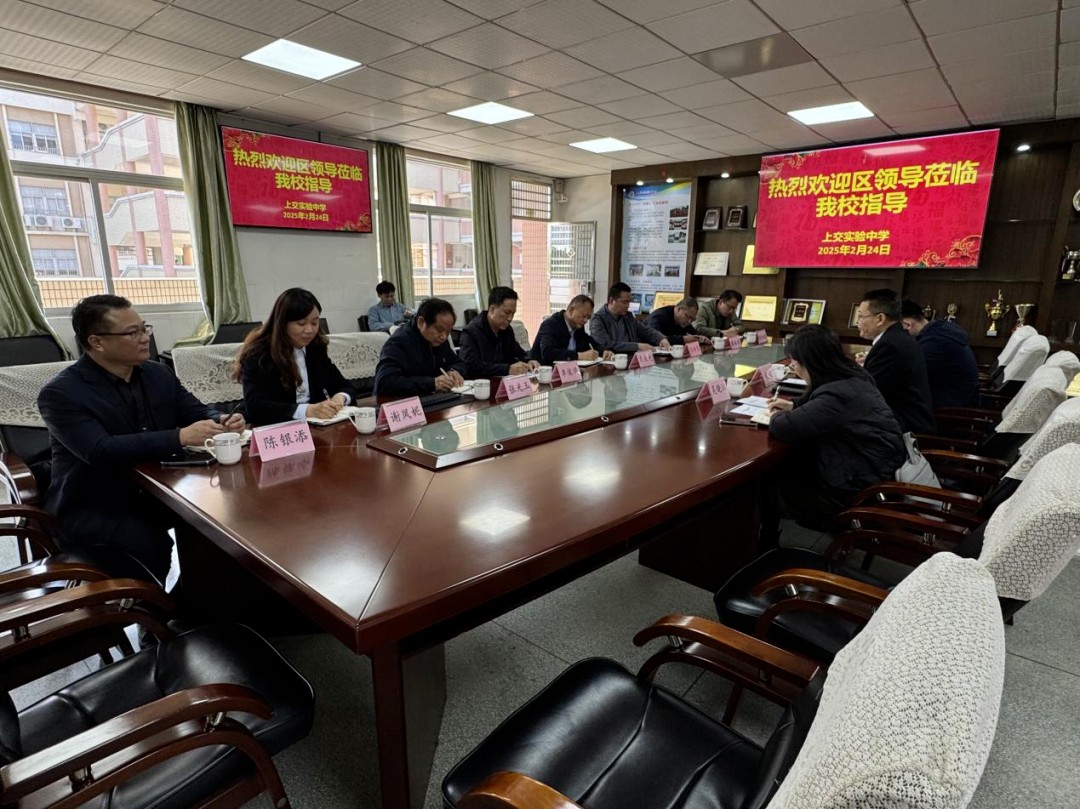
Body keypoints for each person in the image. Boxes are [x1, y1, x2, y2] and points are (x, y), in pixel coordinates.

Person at [38, 295, 245, 582]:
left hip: (158, 490)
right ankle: (147, 607)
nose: (145, 338)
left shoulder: (158, 374)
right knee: (150, 546)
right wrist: (179, 437)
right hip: (95, 504)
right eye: (132, 333)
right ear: (97, 342)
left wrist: (220, 419)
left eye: (145, 328)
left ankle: (201, 599)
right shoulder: (62, 393)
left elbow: (195, 410)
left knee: (219, 525)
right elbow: (99, 450)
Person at [765, 324, 905, 523]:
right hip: (873, 471)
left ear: (810, 363)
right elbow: (819, 406)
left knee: (767, 487)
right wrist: (793, 405)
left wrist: (774, 415)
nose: (794, 369)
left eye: (794, 364)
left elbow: (783, 427)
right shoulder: (853, 375)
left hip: (856, 488)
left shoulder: (837, 395)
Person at [235, 288, 355, 425]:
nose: (310, 330)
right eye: (301, 323)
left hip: (316, 426)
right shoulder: (259, 354)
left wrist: (340, 398)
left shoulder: (315, 347)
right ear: (282, 323)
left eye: (314, 323)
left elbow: (345, 386)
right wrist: (307, 411)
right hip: (278, 428)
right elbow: (256, 407)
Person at [855, 289, 937, 434]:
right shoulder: (897, 337)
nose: (857, 321)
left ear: (880, 319)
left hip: (905, 426)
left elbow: (868, 391)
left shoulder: (890, 345)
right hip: (901, 418)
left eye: (861, 316)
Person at [373, 297, 467, 396]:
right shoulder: (399, 342)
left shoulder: (438, 340)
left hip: (433, 399)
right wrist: (431, 384)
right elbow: (384, 383)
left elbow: (458, 362)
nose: (443, 337)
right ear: (421, 322)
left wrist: (453, 371)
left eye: (448, 332)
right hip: (400, 402)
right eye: (439, 330)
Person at [900, 300, 980, 409]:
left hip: (948, 408)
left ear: (907, 325)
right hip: (958, 399)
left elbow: (910, 377)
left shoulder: (935, 342)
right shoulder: (939, 329)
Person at [459, 286, 540, 377]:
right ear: (492, 310)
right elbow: (470, 366)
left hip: (505, 381)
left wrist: (529, 360)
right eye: (507, 313)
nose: (510, 318)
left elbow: (518, 352)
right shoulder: (471, 332)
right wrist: (507, 369)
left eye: (513, 314)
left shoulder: (507, 330)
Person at [589, 282, 671, 353]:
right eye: (624, 302)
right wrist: (636, 346)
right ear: (611, 301)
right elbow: (605, 344)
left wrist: (661, 339)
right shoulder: (598, 319)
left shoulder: (628, 316)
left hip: (631, 358)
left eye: (629, 302)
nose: (628, 306)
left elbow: (645, 330)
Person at [530, 294, 614, 363]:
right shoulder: (550, 325)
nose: (585, 320)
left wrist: (604, 351)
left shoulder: (578, 327)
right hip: (543, 372)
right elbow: (548, 353)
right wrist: (579, 356)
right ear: (570, 310)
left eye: (588, 318)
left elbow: (588, 342)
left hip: (571, 371)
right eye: (583, 316)